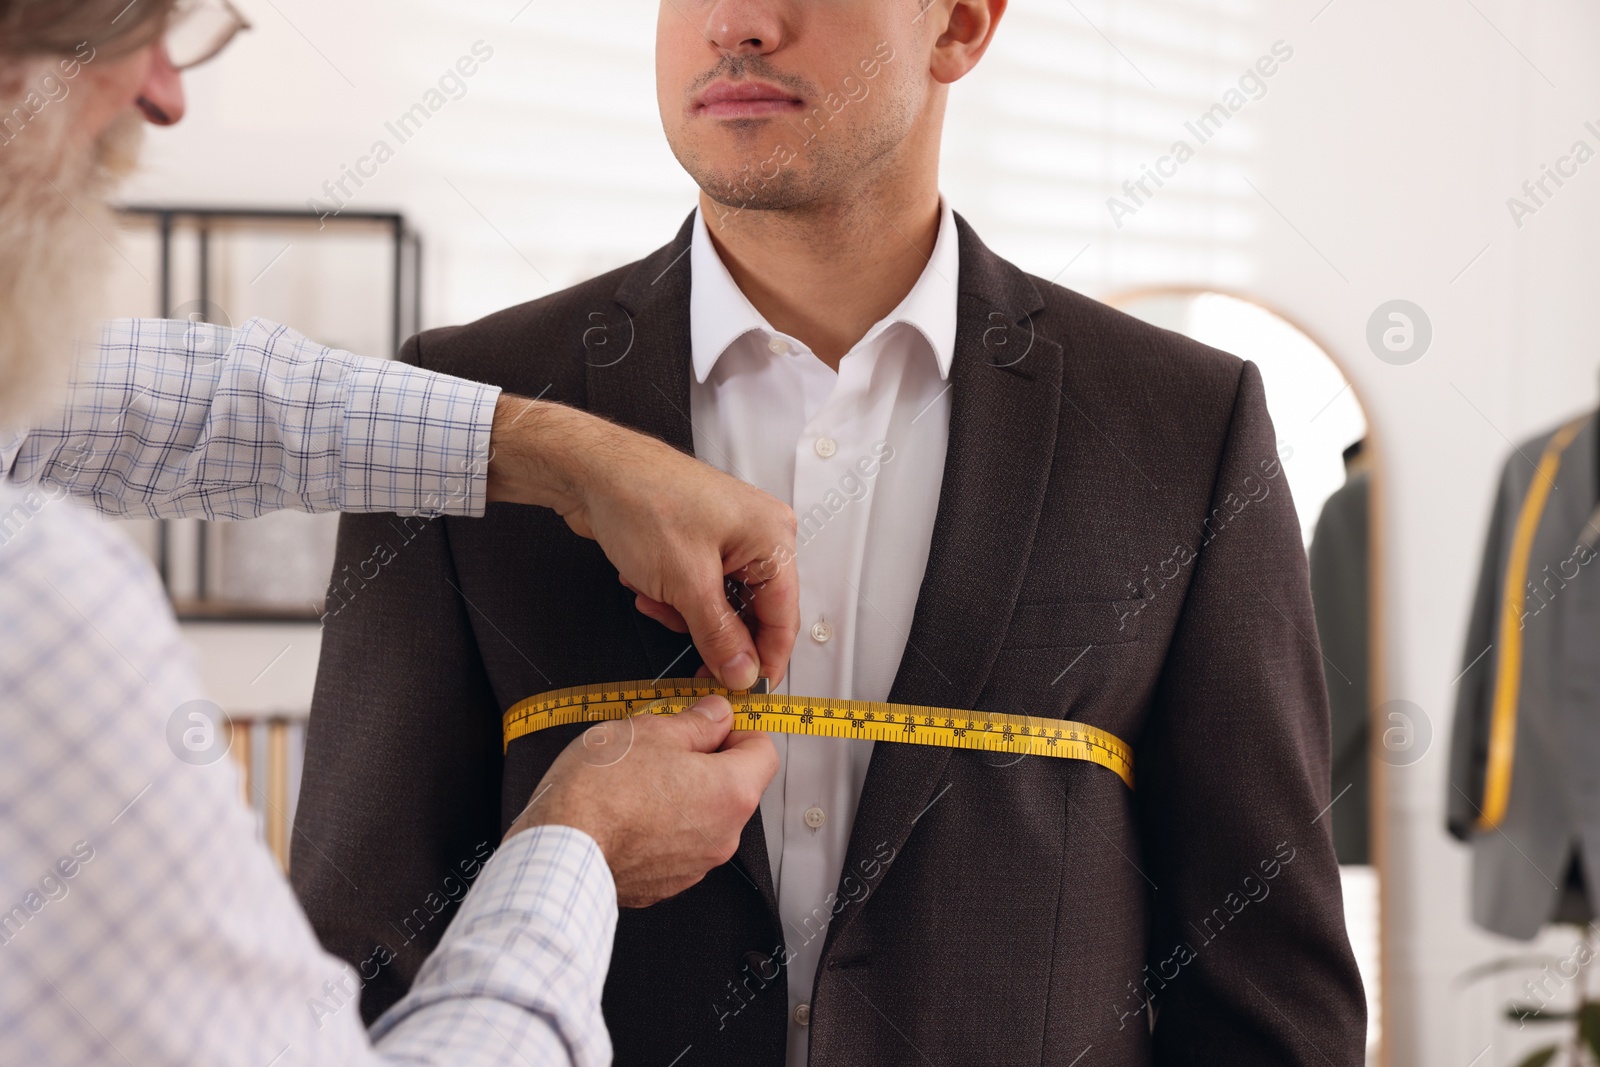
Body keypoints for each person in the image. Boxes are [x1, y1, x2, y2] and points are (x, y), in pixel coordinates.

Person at [298, 2, 1368, 1065]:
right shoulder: (457, 420)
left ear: (957, 25)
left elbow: (1266, 988)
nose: (738, 22)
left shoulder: (1179, 423)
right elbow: (359, 954)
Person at [0, 2, 794, 1064]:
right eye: (131, 26)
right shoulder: (37, 601)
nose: (167, 91)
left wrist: (550, 449)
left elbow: (164, 400)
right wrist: (578, 844)